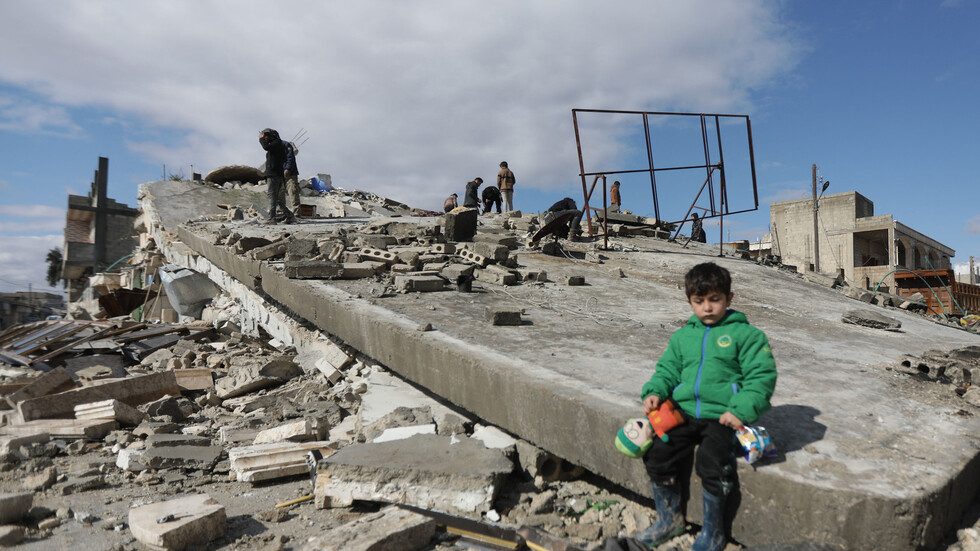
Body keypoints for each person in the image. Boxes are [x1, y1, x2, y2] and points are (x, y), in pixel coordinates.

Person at [636, 262, 776, 551]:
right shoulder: (682, 337)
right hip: (684, 411)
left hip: (723, 416)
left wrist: (739, 411)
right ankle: (669, 519)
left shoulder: (748, 336)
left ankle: (713, 532)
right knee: (657, 452)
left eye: (715, 299)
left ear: (729, 298)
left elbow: (761, 378)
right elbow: (668, 370)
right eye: (699, 301)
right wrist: (655, 392)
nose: (707, 307)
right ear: (690, 301)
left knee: (711, 462)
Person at [258, 128, 295, 224]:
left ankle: (272, 218)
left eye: (266, 136)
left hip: (274, 175)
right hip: (275, 174)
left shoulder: (277, 143)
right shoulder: (277, 145)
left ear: (271, 136)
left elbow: (266, 147)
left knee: (272, 197)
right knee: (274, 198)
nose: (265, 138)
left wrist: (261, 139)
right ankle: (289, 215)